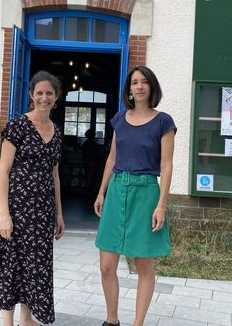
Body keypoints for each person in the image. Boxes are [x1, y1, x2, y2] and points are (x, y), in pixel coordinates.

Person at [94, 65, 176, 326]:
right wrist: (101, 191)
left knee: (143, 266)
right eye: (134, 82)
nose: (139, 86)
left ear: (151, 87)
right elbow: (112, 157)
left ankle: (137, 323)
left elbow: (166, 165)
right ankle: (111, 320)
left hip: (145, 193)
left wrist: (161, 205)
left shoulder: (163, 122)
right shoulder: (119, 118)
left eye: (144, 82)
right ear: (128, 89)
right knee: (106, 265)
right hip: (117, 190)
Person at [0, 70, 65, 326]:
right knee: (12, 262)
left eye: (49, 93)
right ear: (31, 95)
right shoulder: (18, 125)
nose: (44, 97)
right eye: (39, 93)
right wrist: (4, 214)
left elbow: (55, 175)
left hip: (43, 211)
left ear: (56, 97)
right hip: (17, 208)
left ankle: (27, 319)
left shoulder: (57, 131)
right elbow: (2, 171)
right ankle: (7, 322)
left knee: (36, 266)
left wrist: (59, 213)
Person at [81, 128, 100, 195]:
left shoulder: (85, 143)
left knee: (87, 176)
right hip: (92, 161)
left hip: (86, 161)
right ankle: (87, 190)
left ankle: (87, 190)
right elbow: (97, 154)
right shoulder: (94, 144)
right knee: (91, 176)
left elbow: (83, 152)